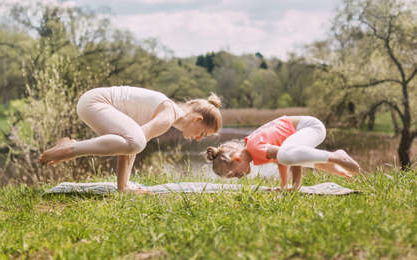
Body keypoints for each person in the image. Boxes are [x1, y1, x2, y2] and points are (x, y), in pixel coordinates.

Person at [39, 86, 222, 193]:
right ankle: (71, 147)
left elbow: (128, 147)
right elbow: (136, 143)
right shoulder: (168, 115)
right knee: (137, 142)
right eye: (203, 133)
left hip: (90, 103)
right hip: (96, 102)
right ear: (197, 119)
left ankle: (73, 148)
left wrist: (123, 188)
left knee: (132, 143)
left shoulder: (168, 113)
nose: (198, 139)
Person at [205, 115, 360, 189]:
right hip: (309, 129)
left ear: (237, 159)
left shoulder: (255, 148)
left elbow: (288, 157)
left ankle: (336, 156)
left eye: (233, 174)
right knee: (294, 156)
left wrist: (294, 185)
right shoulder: (255, 149)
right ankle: (339, 165)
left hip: (310, 127)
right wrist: (338, 171)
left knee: (287, 155)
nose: (238, 177)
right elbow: (293, 158)